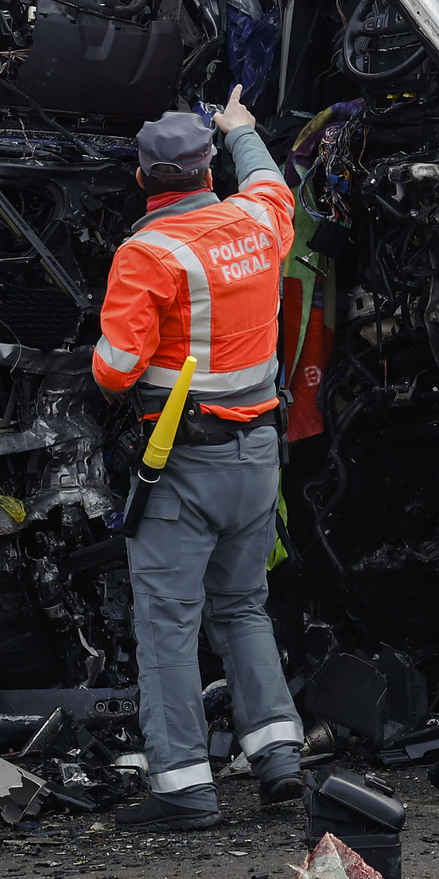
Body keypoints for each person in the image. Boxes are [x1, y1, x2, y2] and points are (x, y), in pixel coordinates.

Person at [92, 86, 306, 832]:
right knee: (243, 607)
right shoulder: (259, 220)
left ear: (145, 179)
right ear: (207, 168)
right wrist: (243, 127)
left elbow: (117, 369)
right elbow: (272, 181)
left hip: (180, 467)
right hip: (256, 459)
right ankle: (280, 759)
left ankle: (184, 788)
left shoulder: (146, 253)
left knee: (168, 623)